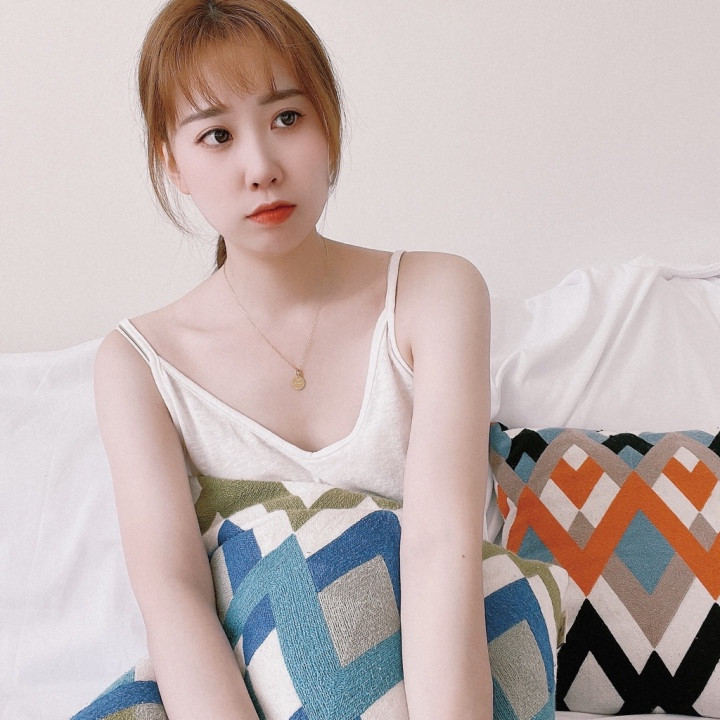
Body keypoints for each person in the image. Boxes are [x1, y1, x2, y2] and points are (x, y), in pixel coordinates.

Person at [92, 0, 492, 718]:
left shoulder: (436, 295)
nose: (262, 168)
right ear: (172, 162)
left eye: (286, 118)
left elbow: (442, 545)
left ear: (328, 125)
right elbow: (175, 597)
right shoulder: (138, 364)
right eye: (216, 135)